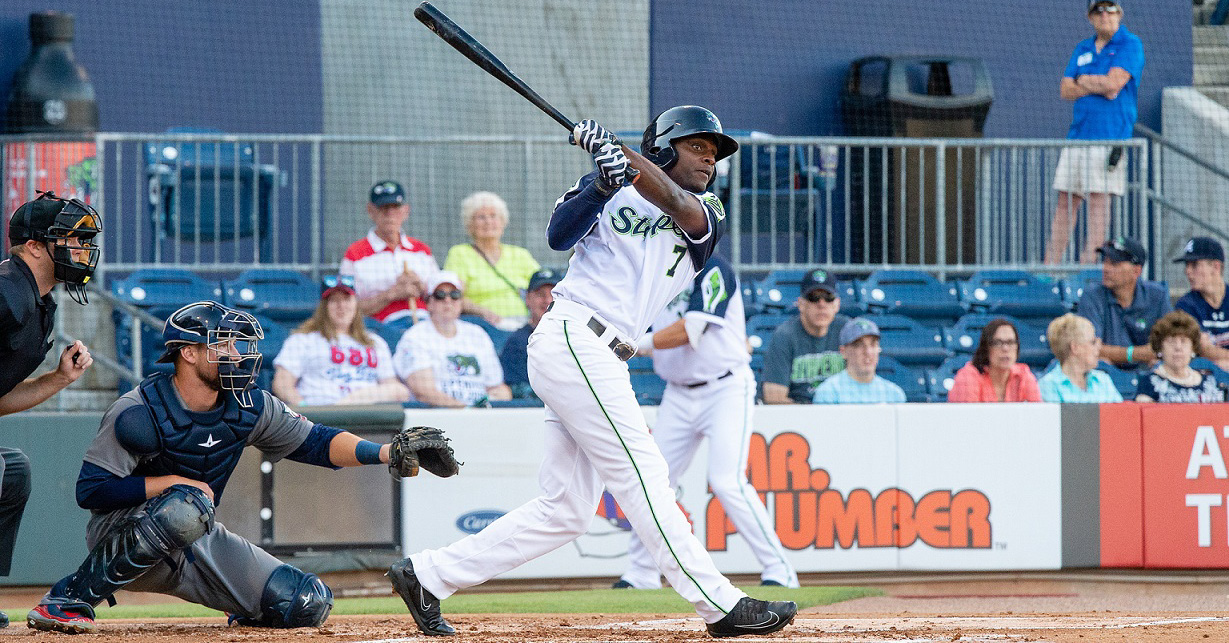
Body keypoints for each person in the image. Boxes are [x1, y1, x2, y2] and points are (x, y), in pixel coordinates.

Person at [387, 106, 796, 638]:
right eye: (698, 147)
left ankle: (428, 575)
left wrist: (617, 153)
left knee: (566, 511)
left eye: (714, 154)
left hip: (600, 353)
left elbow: (676, 204)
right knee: (644, 474)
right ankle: (718, 603)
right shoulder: (606, 182)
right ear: (667, 147)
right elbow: (559, 236)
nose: (709, 160)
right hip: (575, 336)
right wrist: (602, 182)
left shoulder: (706, 207)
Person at [26, 301, 440, 634]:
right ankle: (69, 598)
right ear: (188, 353)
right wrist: (170, 482)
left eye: (239, 345)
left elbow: (315, 442)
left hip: (196, 538)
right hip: (123, 534)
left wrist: (386, 453)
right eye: (223, 346)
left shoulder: (247, 403)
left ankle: (244, 606)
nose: (237, 355)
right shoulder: (139, 409)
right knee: (183, 504)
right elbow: (91, 490)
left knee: (304, 603)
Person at [615, 254, 798, 591]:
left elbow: (693, 328)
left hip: (724, 386)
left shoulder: (714, 267)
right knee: (652, 481)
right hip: (678, 391)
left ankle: (780, 570)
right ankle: (641, 572)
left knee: (727, 481)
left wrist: (633, 346)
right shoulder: (655, 267)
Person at [0, 192, 100, 628]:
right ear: (36, 246)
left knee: (12, 471)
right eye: (70, 240)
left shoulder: (37, 302)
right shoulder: (8, 291)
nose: (81, 251)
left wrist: (57, 380)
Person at [1043, 0, 1145, 265]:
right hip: (1077, 137)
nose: (1104, 15)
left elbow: (1113, 86)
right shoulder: (1083, 48)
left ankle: (1088, 269)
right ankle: (1049, 269)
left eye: (1110, 8)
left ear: (1119, 13)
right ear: (1090, 17)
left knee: (1098, 204)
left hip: (1108, 138)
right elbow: (1065, 89)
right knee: (1065, 203)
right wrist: (1092, 83)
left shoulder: (1129, 44)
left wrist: (1084, 79)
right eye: (1098, 10)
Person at [272, 274, 409, 406]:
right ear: (324, 308)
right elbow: (282, 384)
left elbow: (393, 387)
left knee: (400, 390)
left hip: (368, 418)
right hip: (322, 416)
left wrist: (351, 401)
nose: (341, 306)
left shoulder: (375, 342)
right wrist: (305, 409)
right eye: (334, 300)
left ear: (356, 304)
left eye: (346, 299)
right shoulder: (302, 340)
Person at [392, 271, 511, 408]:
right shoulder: (415, 336)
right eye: (440, 295)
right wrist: (464, 409)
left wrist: (480, 409)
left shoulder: (477, 334)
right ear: (429, 303)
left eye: (454, 295)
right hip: (437, 416)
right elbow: (423, 392)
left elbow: (496, 387)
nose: (448, 300)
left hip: (480, 416)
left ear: (461, 301)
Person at [340, 180, 439, 325]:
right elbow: (346, 308)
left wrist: (421, 287)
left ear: (406, 210)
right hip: (380, 328)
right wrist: (391, 294)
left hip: (425, 324)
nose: (390, 213)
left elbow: (442, 299)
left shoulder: (421, 250)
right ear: (370, 211)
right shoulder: (355, 253)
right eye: (383, 207)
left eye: (395, 207)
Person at [442, 191, 541, 329]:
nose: (488, 221)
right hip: (482, 324)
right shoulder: (460, 254)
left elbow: (543, 287)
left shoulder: (520, 254)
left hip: (526, 323)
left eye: (493, 216)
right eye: (481, 217)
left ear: (503, 222)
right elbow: (453, 296)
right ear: (470, 225)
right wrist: (482, 312)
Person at [1077, 236, 1171, 368]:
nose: (1106, 268)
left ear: (1136, 271)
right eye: (1105, 262)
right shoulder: (1092, 295)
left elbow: (1169, 342)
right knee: (1101, 362)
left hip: (1148, 373)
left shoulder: (1157, 295)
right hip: (1106, 376)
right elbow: (1090, 347)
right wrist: (1136, 354)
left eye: (1114, 264)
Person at [760, 268, 850, 404]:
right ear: (801, 304)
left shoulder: (847, 331)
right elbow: (774, 397)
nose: (821, 304)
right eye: (814, 298)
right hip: (798, 416)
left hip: (842, 412)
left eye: (828, 298)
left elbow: (865, 381)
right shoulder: (784, 335)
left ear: (837, 304)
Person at [499, 267, 562, 399]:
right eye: (540, 294)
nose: (547, 300)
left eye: (553, 294)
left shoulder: (575, 337)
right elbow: (517, 388)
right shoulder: (516, 342)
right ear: (527, 299)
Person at [1135, 310, 1225, 403]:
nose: (1178, 348)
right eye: (1171, 342)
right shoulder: (1148, 384)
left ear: (1193, 348)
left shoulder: (1210, 381)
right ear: (1160, 347)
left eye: (1183, 341)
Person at [812, 318, 906, 404]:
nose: (868, 352)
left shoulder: (894, 394)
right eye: (859, 345)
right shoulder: (828, 392)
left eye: (873, 345)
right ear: (843, 352)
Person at [947, 318, 1042, 403]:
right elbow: (965, 420)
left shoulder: (1024, 375)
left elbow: (1037, 417)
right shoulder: (968, 377)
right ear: (986, 348)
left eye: (1011, 342)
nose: (1005, 348)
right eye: (997, 343)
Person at [1038, 313, 1123, 403]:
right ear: (1075, 348)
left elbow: (1120, 415)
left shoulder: (1103, 380)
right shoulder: (1048, 385)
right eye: (1093, 342)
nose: (1098, 347)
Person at [1173, 237, 1229, 368]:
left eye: (1194, 265)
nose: (1187, 271)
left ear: (1216, 267)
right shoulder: (1185, 305)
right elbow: (1205, 350)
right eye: (1187, 265)